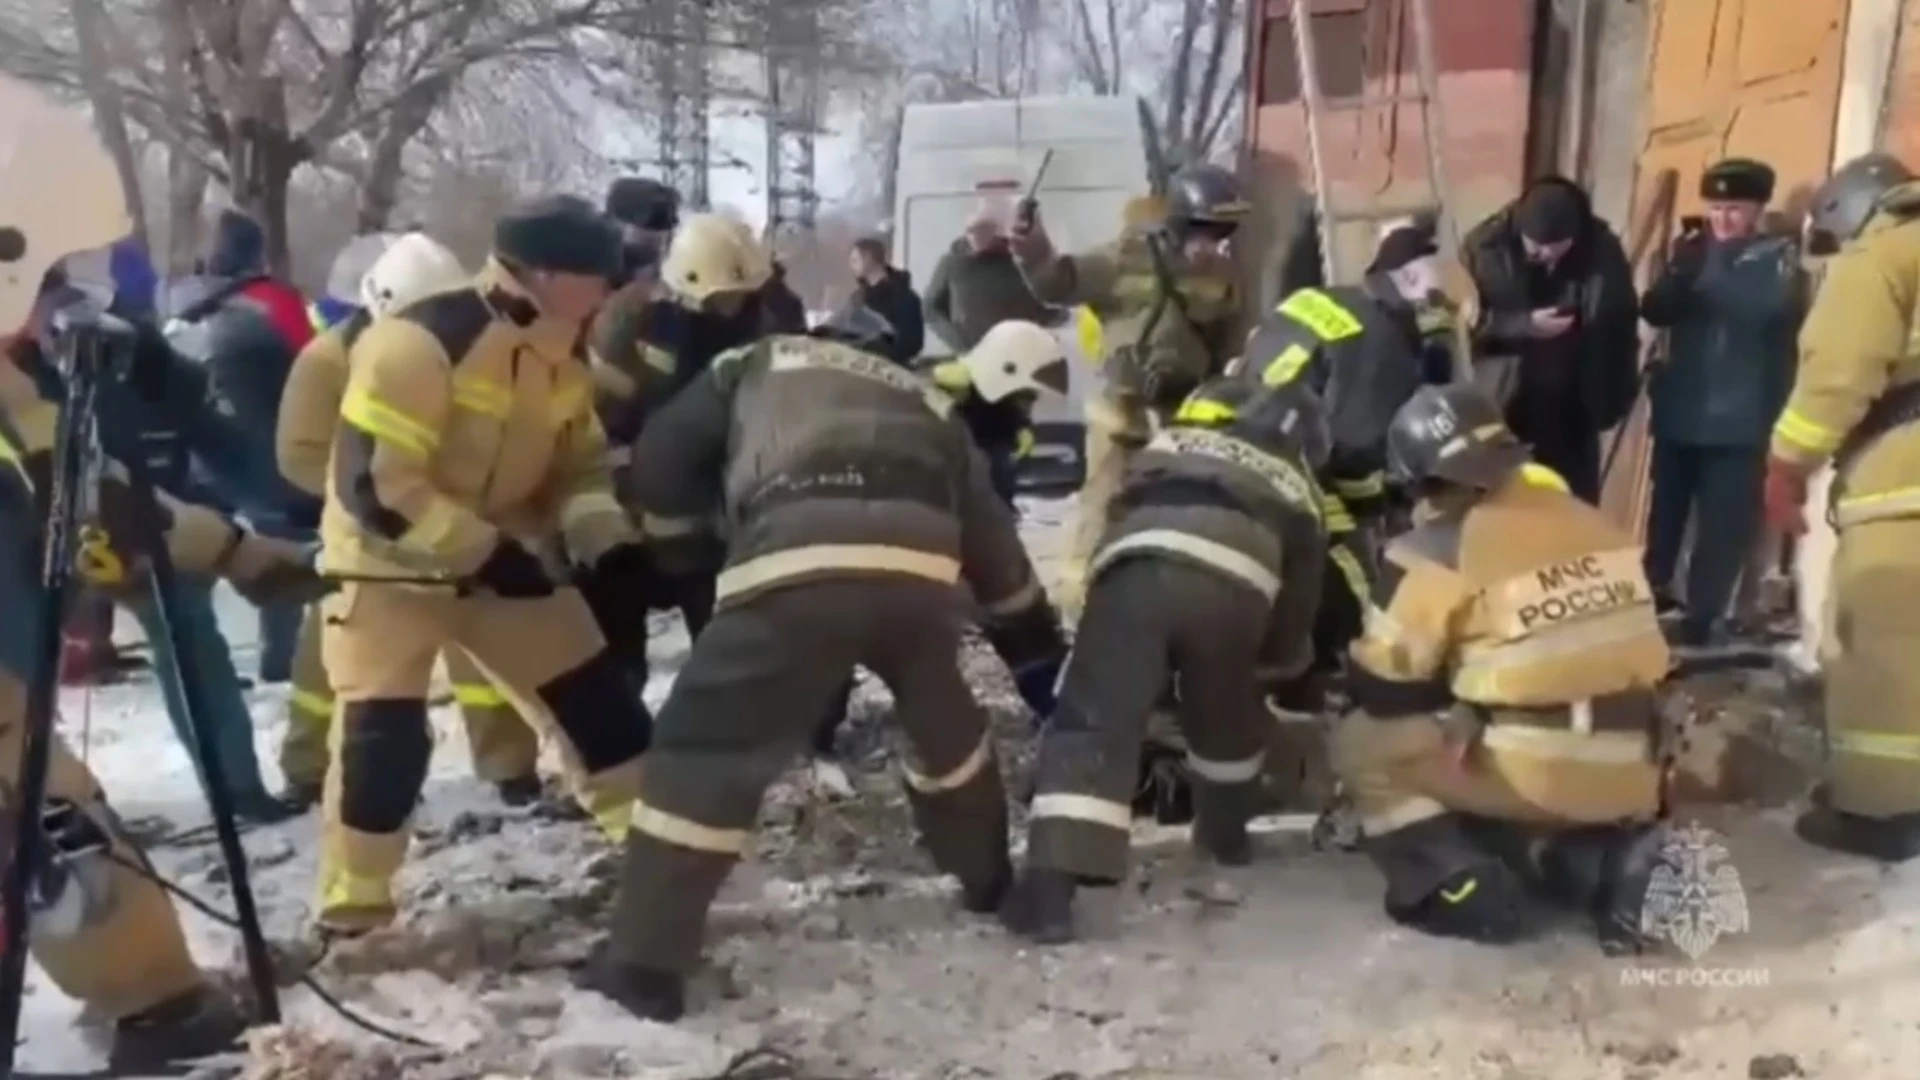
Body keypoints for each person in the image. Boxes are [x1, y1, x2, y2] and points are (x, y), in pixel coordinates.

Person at [577, 307, 1067, 1022]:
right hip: (917, 574)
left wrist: (679, 549)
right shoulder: (928, 399)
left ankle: (644, 964)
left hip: (794, 553)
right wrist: (1031, 642)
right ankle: (991, 882)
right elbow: (995, 548)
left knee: (705, 749)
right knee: (947, 730)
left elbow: (666, 452)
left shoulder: (753, 361)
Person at [0, 74, 313, 1065]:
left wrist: (235, 547)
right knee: (50, 818)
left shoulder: (20, 381)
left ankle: (156, 1000)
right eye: (46, 278)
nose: (58, 305)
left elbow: (88, 490)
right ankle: (155, 1002)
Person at [312, 195, 655, 935]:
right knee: (383, 743)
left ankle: (664, 859)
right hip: (387, 570)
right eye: (601, 276)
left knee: (601, 709)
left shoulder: (563, 354)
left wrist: (606, 540)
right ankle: (353, 915)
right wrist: (487, 552)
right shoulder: (419, 344)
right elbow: (377, 488)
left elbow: (581, 467)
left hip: (506, 561)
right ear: (546, 274)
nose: (613, 290)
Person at [1332, 383, 1669, 950]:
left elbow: (1384, 685)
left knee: (1363, 742)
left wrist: (1446, 692)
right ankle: (1606, 861)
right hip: (1638, 763)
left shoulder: (1436, 546)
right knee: (1508, 727)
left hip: (1536, 765)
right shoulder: (1594, 523)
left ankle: (1456, 885)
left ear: (1421, 482)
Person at [1002, 378, 1330, 944]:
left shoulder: (1175, 442)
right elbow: (1299, 601)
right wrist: (1271, 667)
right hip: (1237, 586)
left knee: (1095, 718)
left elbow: (1113, 505)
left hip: (1135, 567)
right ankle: (1224, 838)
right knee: (1225, 715)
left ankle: (1050, 891)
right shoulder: (1300, 488)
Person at [275, 232, 547, 809]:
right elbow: (299, 452)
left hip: (449, 526)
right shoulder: (326, 362)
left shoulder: (469, 351)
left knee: (483, 658)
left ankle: (509, 766)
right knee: (337, 667)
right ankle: (309, 767)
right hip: (366, 541)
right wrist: (362, 496)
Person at [1767, 152, 1920, 862]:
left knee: (1883, 646)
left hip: (1906, 484)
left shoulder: (1882, 256)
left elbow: (1837, 375)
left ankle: (1878, 813)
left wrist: (1787, 465)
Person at [1011, 163, 1248, 619]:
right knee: (1102, 509)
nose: (1214, 243)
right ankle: (1078, 609)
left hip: (1185, 410)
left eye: (1224, 232)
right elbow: (1055, 282)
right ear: (1179, 222)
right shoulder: (1124, 257)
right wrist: (1031, 247)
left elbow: (1227, 338)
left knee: (1183, 509)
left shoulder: (1224, 274)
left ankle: (1172, 602)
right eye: (1206, 231)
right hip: (1122, 409)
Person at [1236, 224, 1452, 707]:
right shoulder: (1381, 346)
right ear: (1411, 289)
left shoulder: (1324, 299)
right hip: (1295, 463)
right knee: (1351, 562)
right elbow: (1355, 450)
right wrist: (1380, 508)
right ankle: (1338, 669)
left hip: (1242, 435)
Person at [588, 212, 776, 655]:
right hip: (630, 496)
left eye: (739, 295)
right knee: (620, 646)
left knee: (718, 635)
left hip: (711, 504)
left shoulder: (757, 319)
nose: (732, 306)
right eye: (722, 297)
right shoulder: (632, 319)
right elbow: (597, 413)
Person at [1640, 159, 1805, 649]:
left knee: (1721, 527)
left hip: (1740, 420)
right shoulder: (1690, 252)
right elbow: (1656, 309)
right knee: (1664, 519)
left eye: (1734, 209)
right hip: (1680, 412)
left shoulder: (1777, 258)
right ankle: (1651, 601)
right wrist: (1678, 274)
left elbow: (1768, 314)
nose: (1723, 220)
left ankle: (1703, 619)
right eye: (1716, 209)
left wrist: (1708, 276)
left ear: (1757, 210)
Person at [167, 209, 318, 684]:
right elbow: (314, 368)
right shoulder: (275, 301)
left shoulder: (176, 308)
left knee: (192, 554)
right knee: (290, 528)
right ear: (255, 254)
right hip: (264, 463)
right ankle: (282, 657)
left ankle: (199, 659)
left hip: (194, 465)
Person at [1461, 177, 1639, 503]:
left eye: (1555, 246)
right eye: (1534, 244)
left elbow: (1620, 328)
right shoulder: (1484, 247)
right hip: (1505, 407)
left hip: (1572, 411)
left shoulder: (1602, 252)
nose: (1542, 253)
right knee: (1503, 509)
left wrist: (1618, 397)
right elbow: (1462, 320)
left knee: (1571, 508)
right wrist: (1522, 325)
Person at [920, 319, 1070, 505]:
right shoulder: (936, 390)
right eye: (1023, 395)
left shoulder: (999, 410)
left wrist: (1019, 426)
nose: (1028, 405)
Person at [923, 209, 1056, 352]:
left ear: (994, 232)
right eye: (971, 231)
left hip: (1019, 350)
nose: (976, 236)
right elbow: (931, 309)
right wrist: (958, 339)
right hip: (972, 354)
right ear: (965, 233)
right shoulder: (951, 264)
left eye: (983, 230)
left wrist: (1043, 332)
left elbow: (1039, 302)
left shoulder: (1015, 261)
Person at [849, 236, 925, 364]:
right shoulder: (857, 298)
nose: (851, 266)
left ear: (868, 259)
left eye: (854, 261)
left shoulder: (904, 297)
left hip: (892, 369)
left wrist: (881, 348)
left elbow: (913, 343)